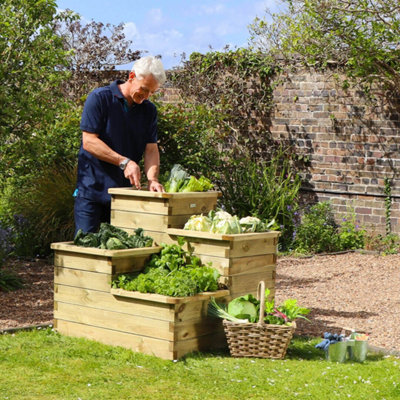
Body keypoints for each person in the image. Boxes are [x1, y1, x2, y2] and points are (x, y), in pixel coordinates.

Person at [73, 55, 167, 235]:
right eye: (144, 89)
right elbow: (89, 142)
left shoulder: (149, 111)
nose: (146, 96)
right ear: (132, 77)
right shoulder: (99, 98)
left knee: (121, 252)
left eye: (151, 93)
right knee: (87, 252)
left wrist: (152, 179)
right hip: (91, 193)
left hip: (125, 195)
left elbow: (151, 149)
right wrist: (124, 162)